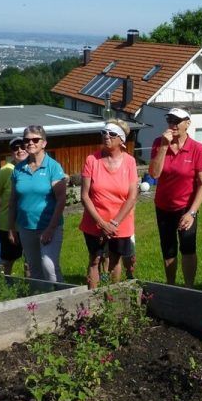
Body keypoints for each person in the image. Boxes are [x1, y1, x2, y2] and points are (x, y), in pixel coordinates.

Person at [149, 107, 202, 287]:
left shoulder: (197, 149)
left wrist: (192, 212)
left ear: (187, 124)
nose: (172, 125)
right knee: (168, 249)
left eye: (177, 121)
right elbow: (154, 174)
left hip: (186, 207)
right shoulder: (159, 143)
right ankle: (171, 285)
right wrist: (163, 147)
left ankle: (189, 287)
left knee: (188, 248)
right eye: (170, 121)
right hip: (163, 207)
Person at [79, 120, 138, 289]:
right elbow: (85, 196)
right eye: (103, 133)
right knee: (95, 259)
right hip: (94, 222)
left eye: (112, 134)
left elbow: (132, 196)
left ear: (121, 139)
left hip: (120, 224)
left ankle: (111, 298)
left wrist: (114, 223)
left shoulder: (130, 162)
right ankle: (92, 298)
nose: (106, 136)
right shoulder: (92, 160)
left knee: (115, 260)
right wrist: (101, 223)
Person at [9, 125, 68, 283]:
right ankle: (38, 298)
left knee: (49, 266)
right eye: (27, 140)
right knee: (34, 269)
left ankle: (62, 295)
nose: (30, 143)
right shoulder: (18, 169)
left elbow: (61, 199)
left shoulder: (53, 167)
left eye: (35, 139)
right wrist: (11, 227)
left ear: (44, 143)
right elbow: (13, 200)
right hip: (25, 227)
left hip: (49, 226)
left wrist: (51, 228)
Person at [0, 137, 29, 276]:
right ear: (11, 153)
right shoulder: (6, 171)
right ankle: (6, 285)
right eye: (15, 148)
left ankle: (31, 286)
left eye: (22, 147)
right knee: (8, 261)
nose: (20, 150)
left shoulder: (33, 168)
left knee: (30, 262)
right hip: (8, 226)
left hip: (30, 224)